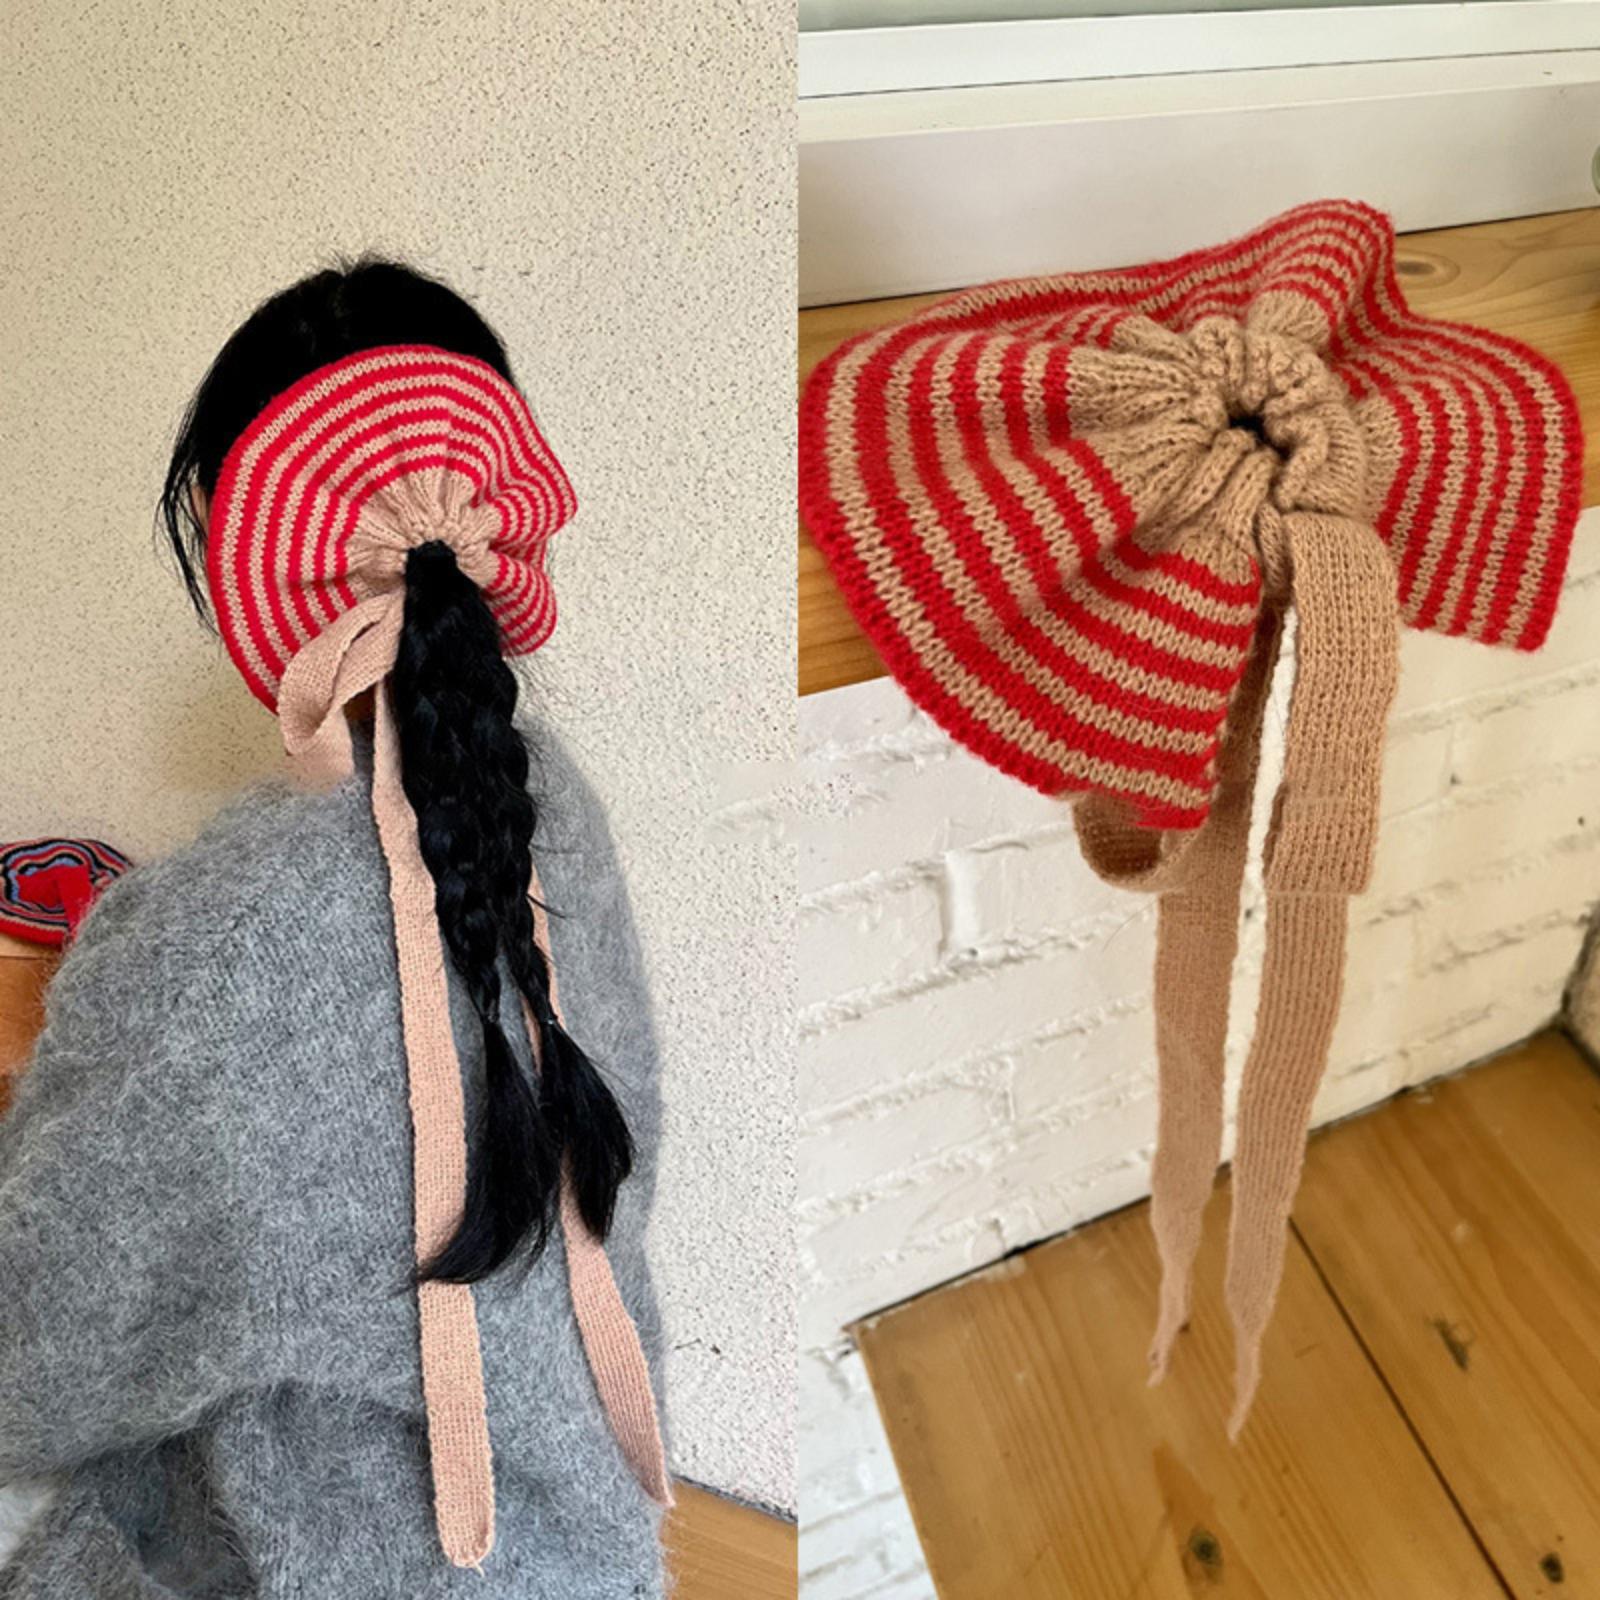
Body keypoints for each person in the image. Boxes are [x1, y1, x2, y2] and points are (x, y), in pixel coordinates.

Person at [0, 261, 672, 1598]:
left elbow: (32, 1351)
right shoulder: (558, 811)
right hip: (592, 1550)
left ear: (248, 558)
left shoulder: (216, 942)